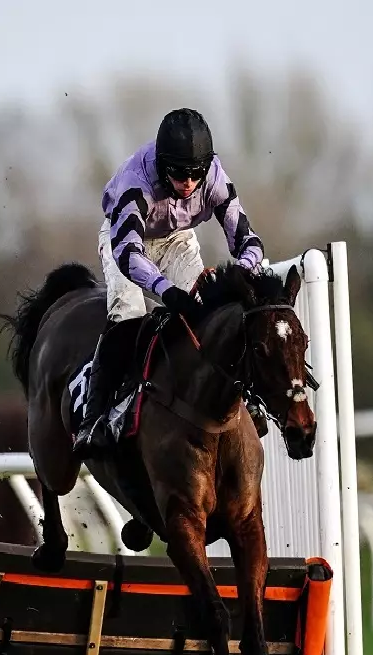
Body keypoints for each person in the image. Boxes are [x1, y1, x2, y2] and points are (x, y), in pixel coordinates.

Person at [71, 107, 268, 460]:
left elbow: (249, 241)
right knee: (128, 315)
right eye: (179, 174)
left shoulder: (215, 178)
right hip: (125, 239)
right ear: (163, 165)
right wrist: (166, 291)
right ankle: (94, 418)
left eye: (196, 173)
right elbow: (129, 255)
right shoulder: (137, 181)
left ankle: (243, 396)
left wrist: (242, 272)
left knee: (213, 313)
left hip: (175, 239)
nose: (189, 182)